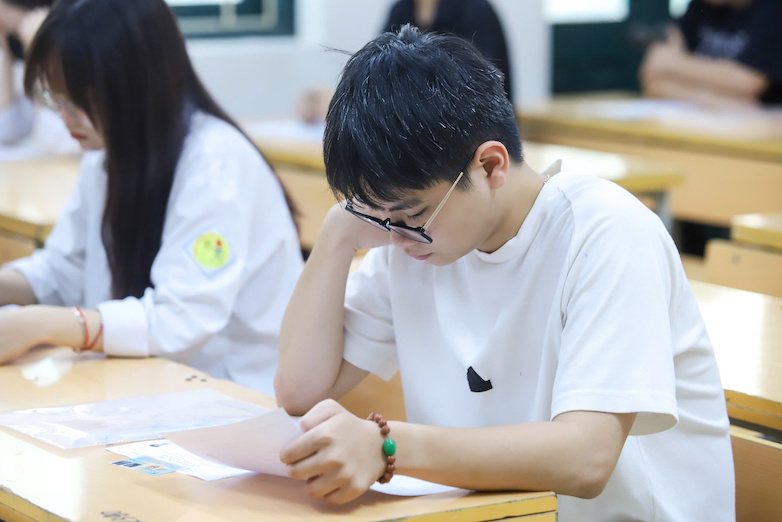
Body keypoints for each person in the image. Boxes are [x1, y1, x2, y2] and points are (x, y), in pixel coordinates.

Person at [274, 25, 734, 520]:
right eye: (379, 217)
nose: (397, 236)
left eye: (412, 214)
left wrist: (387, 446)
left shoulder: (606, 232)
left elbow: (587, 459)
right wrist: (338, 233)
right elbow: (300, 391)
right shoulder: (416, 240)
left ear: (491, 166)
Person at [0, 0, 303, 396]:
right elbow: (63, 270)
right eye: (54, 97)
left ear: (133, 84)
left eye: (77, 100)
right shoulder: (107, 154)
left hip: (236, 396)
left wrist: (40, 324)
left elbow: (179, 321)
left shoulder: (216, 165)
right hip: (148, 387)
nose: (63, 116)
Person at [298, 0, 513, 124]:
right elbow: (375, 72)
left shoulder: (476, 11)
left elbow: (470, 96)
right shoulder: (401, 9)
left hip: (470, 134)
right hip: (416, 133)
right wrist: (340, 99)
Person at [640, 0, 782, 107]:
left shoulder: (773, 10)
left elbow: (749, 83)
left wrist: (675, 65)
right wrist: (718, 101)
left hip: (757, 132)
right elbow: (655, 79)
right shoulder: (701, 6)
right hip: (695, 123)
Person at [384, 0, 512, 100]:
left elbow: (480, 81)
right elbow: (381, 65)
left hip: (468, 116)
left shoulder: (475, 9)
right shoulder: (400, 10)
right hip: (411, 116)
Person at [0, 0, 76, 156]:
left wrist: (37, 51)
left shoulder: (76, 37)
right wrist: (3, 53)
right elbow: (7, 131)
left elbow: (57, 141)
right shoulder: (16, 42)